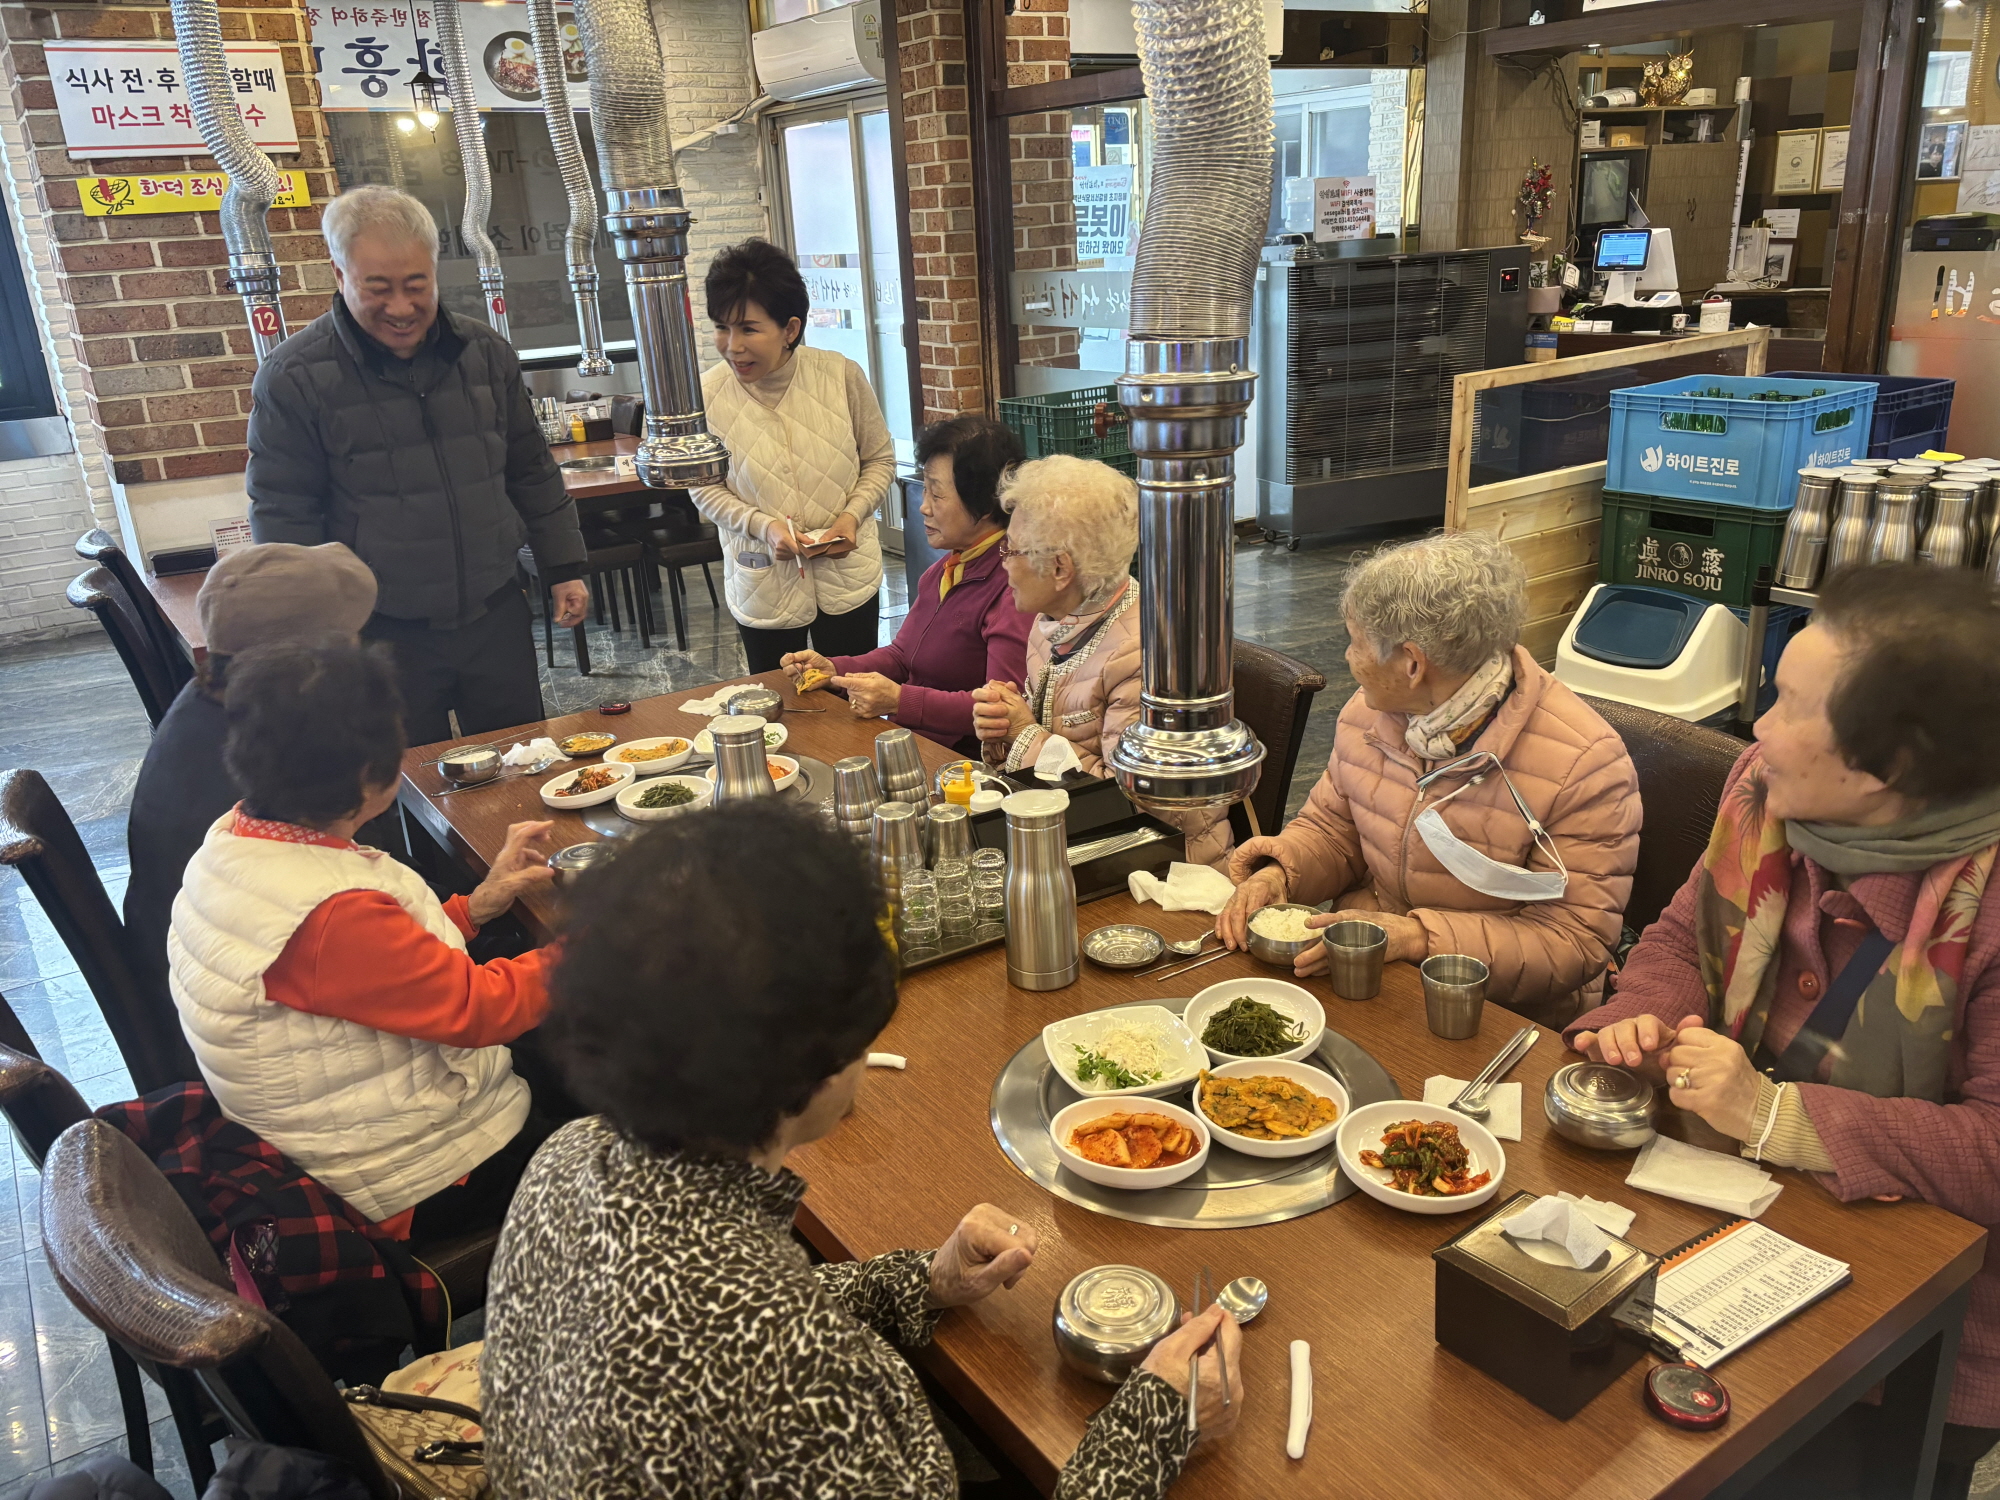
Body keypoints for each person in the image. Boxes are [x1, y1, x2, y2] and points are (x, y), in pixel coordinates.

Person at [483, 804, 1243, 1497]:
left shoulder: (568, 1159)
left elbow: (709, 1320)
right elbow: (756, 1344)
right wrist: (1153, 1427)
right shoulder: (812, 1378)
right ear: (810, 1059)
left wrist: (919, 1282)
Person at [1568, 564, 2000, 1500]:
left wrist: (1774, 1114)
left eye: (1788, 706)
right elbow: (1682, 934)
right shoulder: (1762, 790)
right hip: (1719, 1233)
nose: (1755, 727)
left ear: (1890, 766)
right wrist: (1640, 1014)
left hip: (1919, 1329)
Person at [169, 639, 561, 1239]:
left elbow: (366, 976)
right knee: (618, 1080)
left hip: (332, 1132)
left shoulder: (237, 840)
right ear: (366, 774)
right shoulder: (328, 911)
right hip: (410, 1178)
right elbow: (481, 1010)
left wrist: (474, 907)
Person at [1218, 530, 1640, 1025]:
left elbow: (1573, 942)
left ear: (1413, 663)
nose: (1348, 659)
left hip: (1496, 1014)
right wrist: (1281, 874)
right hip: (1369, 973)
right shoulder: (1370, 713)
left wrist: (1416, 937)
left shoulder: (1585, 764)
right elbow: (1333, 830)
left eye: (1355, 644)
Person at [245, 184, 589, 746]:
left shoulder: (485, 354)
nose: (401, 308)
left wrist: (563, 565)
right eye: (377, 288)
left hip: (492, 613)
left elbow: (530, 469)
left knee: (522, 769)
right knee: (405, 792)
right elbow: (283, 514)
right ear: (339, 274)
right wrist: (316, 632)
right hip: (377, 631)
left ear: (435, 270)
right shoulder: (295, 377)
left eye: (416, 285)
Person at [125, 541, 378, 1018]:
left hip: (202, 971)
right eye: (350, 640)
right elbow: (341, 923)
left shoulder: (207, 702)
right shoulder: (267, 763)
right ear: (305, 665)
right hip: (250, 1010)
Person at [970, 454, 1231, 864]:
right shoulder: (1056, 623)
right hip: (1080, 838)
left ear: (1059, 569)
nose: (1003, 562)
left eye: (1012, 549)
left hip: (1163, 867)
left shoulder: (1148, 659)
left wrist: (1024, 734)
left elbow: (1132, 801)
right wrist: (1003, 731)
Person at [692, 239, 895, 674]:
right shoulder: (707, 394)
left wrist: (851, 518)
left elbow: (880, 460)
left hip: (849, 577)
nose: (732, 346)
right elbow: (704, 487)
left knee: (851, 699)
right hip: (761, 580)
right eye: (721, 328)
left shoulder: (840, 375)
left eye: (748, 328)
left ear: (790, 329)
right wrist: (762, 527)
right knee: (777, 706)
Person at [781, 415, 1031, 755]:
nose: (923, 506)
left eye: (937, 493)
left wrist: (901, 700)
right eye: (924, 488)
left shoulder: (1014, 588)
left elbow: (1001, 709)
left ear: (985, 503)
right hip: (911, 742)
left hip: (960, 762)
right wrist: (835, 670)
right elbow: (902, 657)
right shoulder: (944, 570)